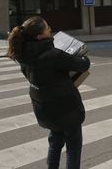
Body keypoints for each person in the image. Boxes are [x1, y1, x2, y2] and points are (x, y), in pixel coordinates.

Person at [7, 16, 90, 169]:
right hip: (66, 109)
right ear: (39, 36)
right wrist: (82, 56)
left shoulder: (23, 55)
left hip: (46, 109)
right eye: (47, 28)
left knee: (55, 143)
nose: (50, 28)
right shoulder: (53, 55)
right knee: (73, 147)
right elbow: (83, 65)